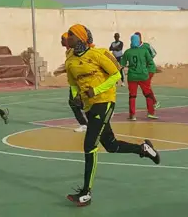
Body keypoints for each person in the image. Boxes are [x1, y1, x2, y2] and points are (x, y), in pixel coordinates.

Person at [64, 24, 160, 206]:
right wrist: (76, 98)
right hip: (89, 105)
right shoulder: (70, 60)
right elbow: (73, 83)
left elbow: (116, 75)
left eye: (71, 35)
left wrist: (97, 89)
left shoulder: (97, 54)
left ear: (81, 38)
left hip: (105, 101)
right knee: (111, 145)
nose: (68, 38)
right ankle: (143, 149)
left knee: (90, 144)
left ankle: (86, 193)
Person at [54, 32, 87, 132]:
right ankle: (84, 123)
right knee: (75, 102)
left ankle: (86, 122)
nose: (61, 41)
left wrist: (57, 71)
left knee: (77, 102)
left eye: (63, 39)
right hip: (74, 82)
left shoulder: (75, 51)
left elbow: (71, 64)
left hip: (80, 81)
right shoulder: (68, 52)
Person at [121, 34, 158, 120]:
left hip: (132, 76)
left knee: (132, 96)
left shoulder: (127, 52)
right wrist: (149, 72)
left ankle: (132, 115)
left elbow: (121, 65)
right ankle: (151, 113)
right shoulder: (144, 51)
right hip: (143, 76)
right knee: (148, 95)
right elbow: (151, 63)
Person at [134, 32, 160, 109]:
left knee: (146, 86)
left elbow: (154, 53)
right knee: (145, 86)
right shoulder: (134, 47)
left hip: (149, 69)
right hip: (141, 70)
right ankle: (153, 103)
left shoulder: (146, 46)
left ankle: (154, 103)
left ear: (140, 38)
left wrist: (147, 60)